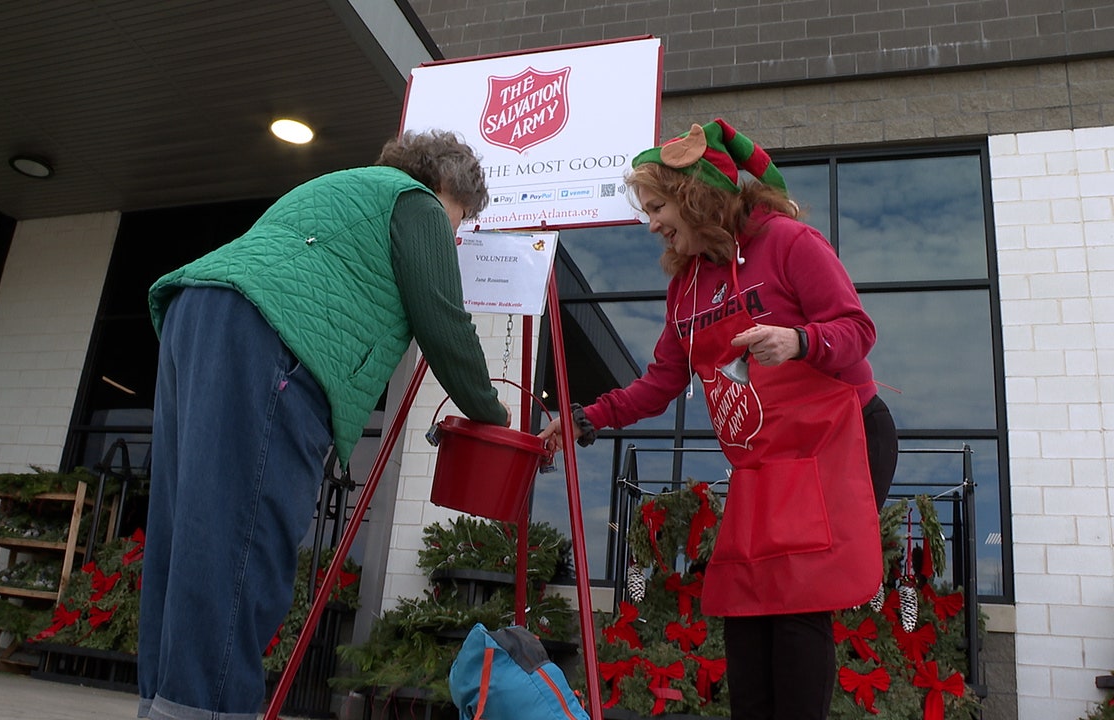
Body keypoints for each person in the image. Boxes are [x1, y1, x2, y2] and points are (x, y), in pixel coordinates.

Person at [139, 129, 511, 720]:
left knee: (187, 533)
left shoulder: (341, 189)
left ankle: (163, 705)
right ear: (447, 187)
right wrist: (494, 415)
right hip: (269, 334)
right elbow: (444, 324)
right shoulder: (415, 204)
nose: (456, 234)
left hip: (198, 310)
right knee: (243, 543)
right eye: (460, 220)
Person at [539, 118, 898, 720]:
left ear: (694, 196)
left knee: (797, 600)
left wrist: (798, 340)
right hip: (766, 463)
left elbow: (857, 331)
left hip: (843, 439)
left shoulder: (788, 242)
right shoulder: (684, 289)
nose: (651, 223)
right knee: (747, 602)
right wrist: (583, 419)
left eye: (656, 207)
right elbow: (659, 385)